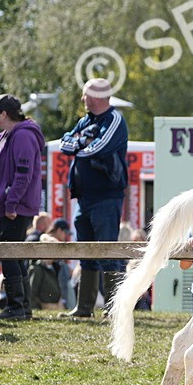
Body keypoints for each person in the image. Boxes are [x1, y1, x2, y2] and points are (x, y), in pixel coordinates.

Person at [60, 77, 129, 318]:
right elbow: (64, 145)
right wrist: (83, 141)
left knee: (107, 251)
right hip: (84, 198)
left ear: (98, 97)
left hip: (107, 197)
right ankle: (85, 307)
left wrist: (82, 144)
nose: (83, 99)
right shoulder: (85, 121)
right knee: (86, 251)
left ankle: (114, 309)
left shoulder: (114, 120)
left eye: (86, 95)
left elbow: (97, 149)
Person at [0, 94, 45, 320]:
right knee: (13, 255)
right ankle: (21, 307)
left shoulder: (23, 136)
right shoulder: (6, 136)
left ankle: (16, 307)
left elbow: (23, 175)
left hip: (16, 208)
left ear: (4, 114)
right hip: (10, 206)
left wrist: (11, 203)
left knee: (9, 254)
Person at [27, 218, 72, 311]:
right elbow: (32, 292)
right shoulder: (37, 268)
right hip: (43, 308)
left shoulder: (55, 266)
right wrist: (37, 308)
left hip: (55, 307)